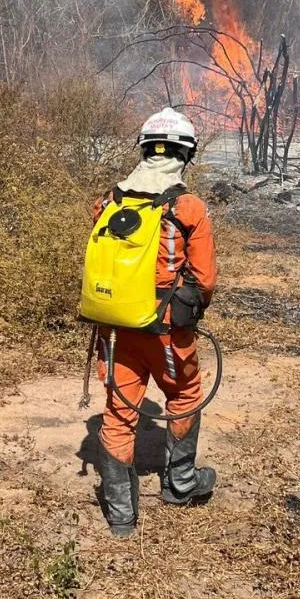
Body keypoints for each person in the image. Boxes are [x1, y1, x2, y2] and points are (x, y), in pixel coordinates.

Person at [94, 107, 217, 537]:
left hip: (114, 328)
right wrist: (190, 310)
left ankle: (121, 517)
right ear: (186, 155)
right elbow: (205, 280)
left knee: (119, 410)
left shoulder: (107, 202)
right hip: (165, 330)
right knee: (184, 396)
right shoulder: (188, 207)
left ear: (145, 150)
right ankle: (180, 485)